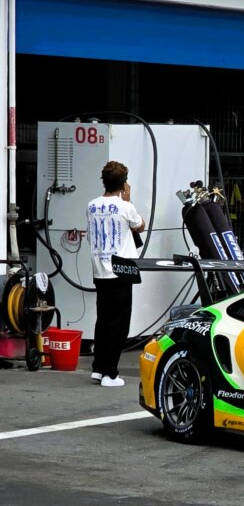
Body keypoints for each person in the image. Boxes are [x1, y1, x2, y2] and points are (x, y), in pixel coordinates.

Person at [85, 160, 145, 387]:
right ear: (123, 184)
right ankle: (111, 373)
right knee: (119, 323)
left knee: (103, 319)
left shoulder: (91, 205)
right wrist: (127, 200)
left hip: (99, 267)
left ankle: (98, 368)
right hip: (122, 268)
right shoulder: (125, 206)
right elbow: (140, 225)